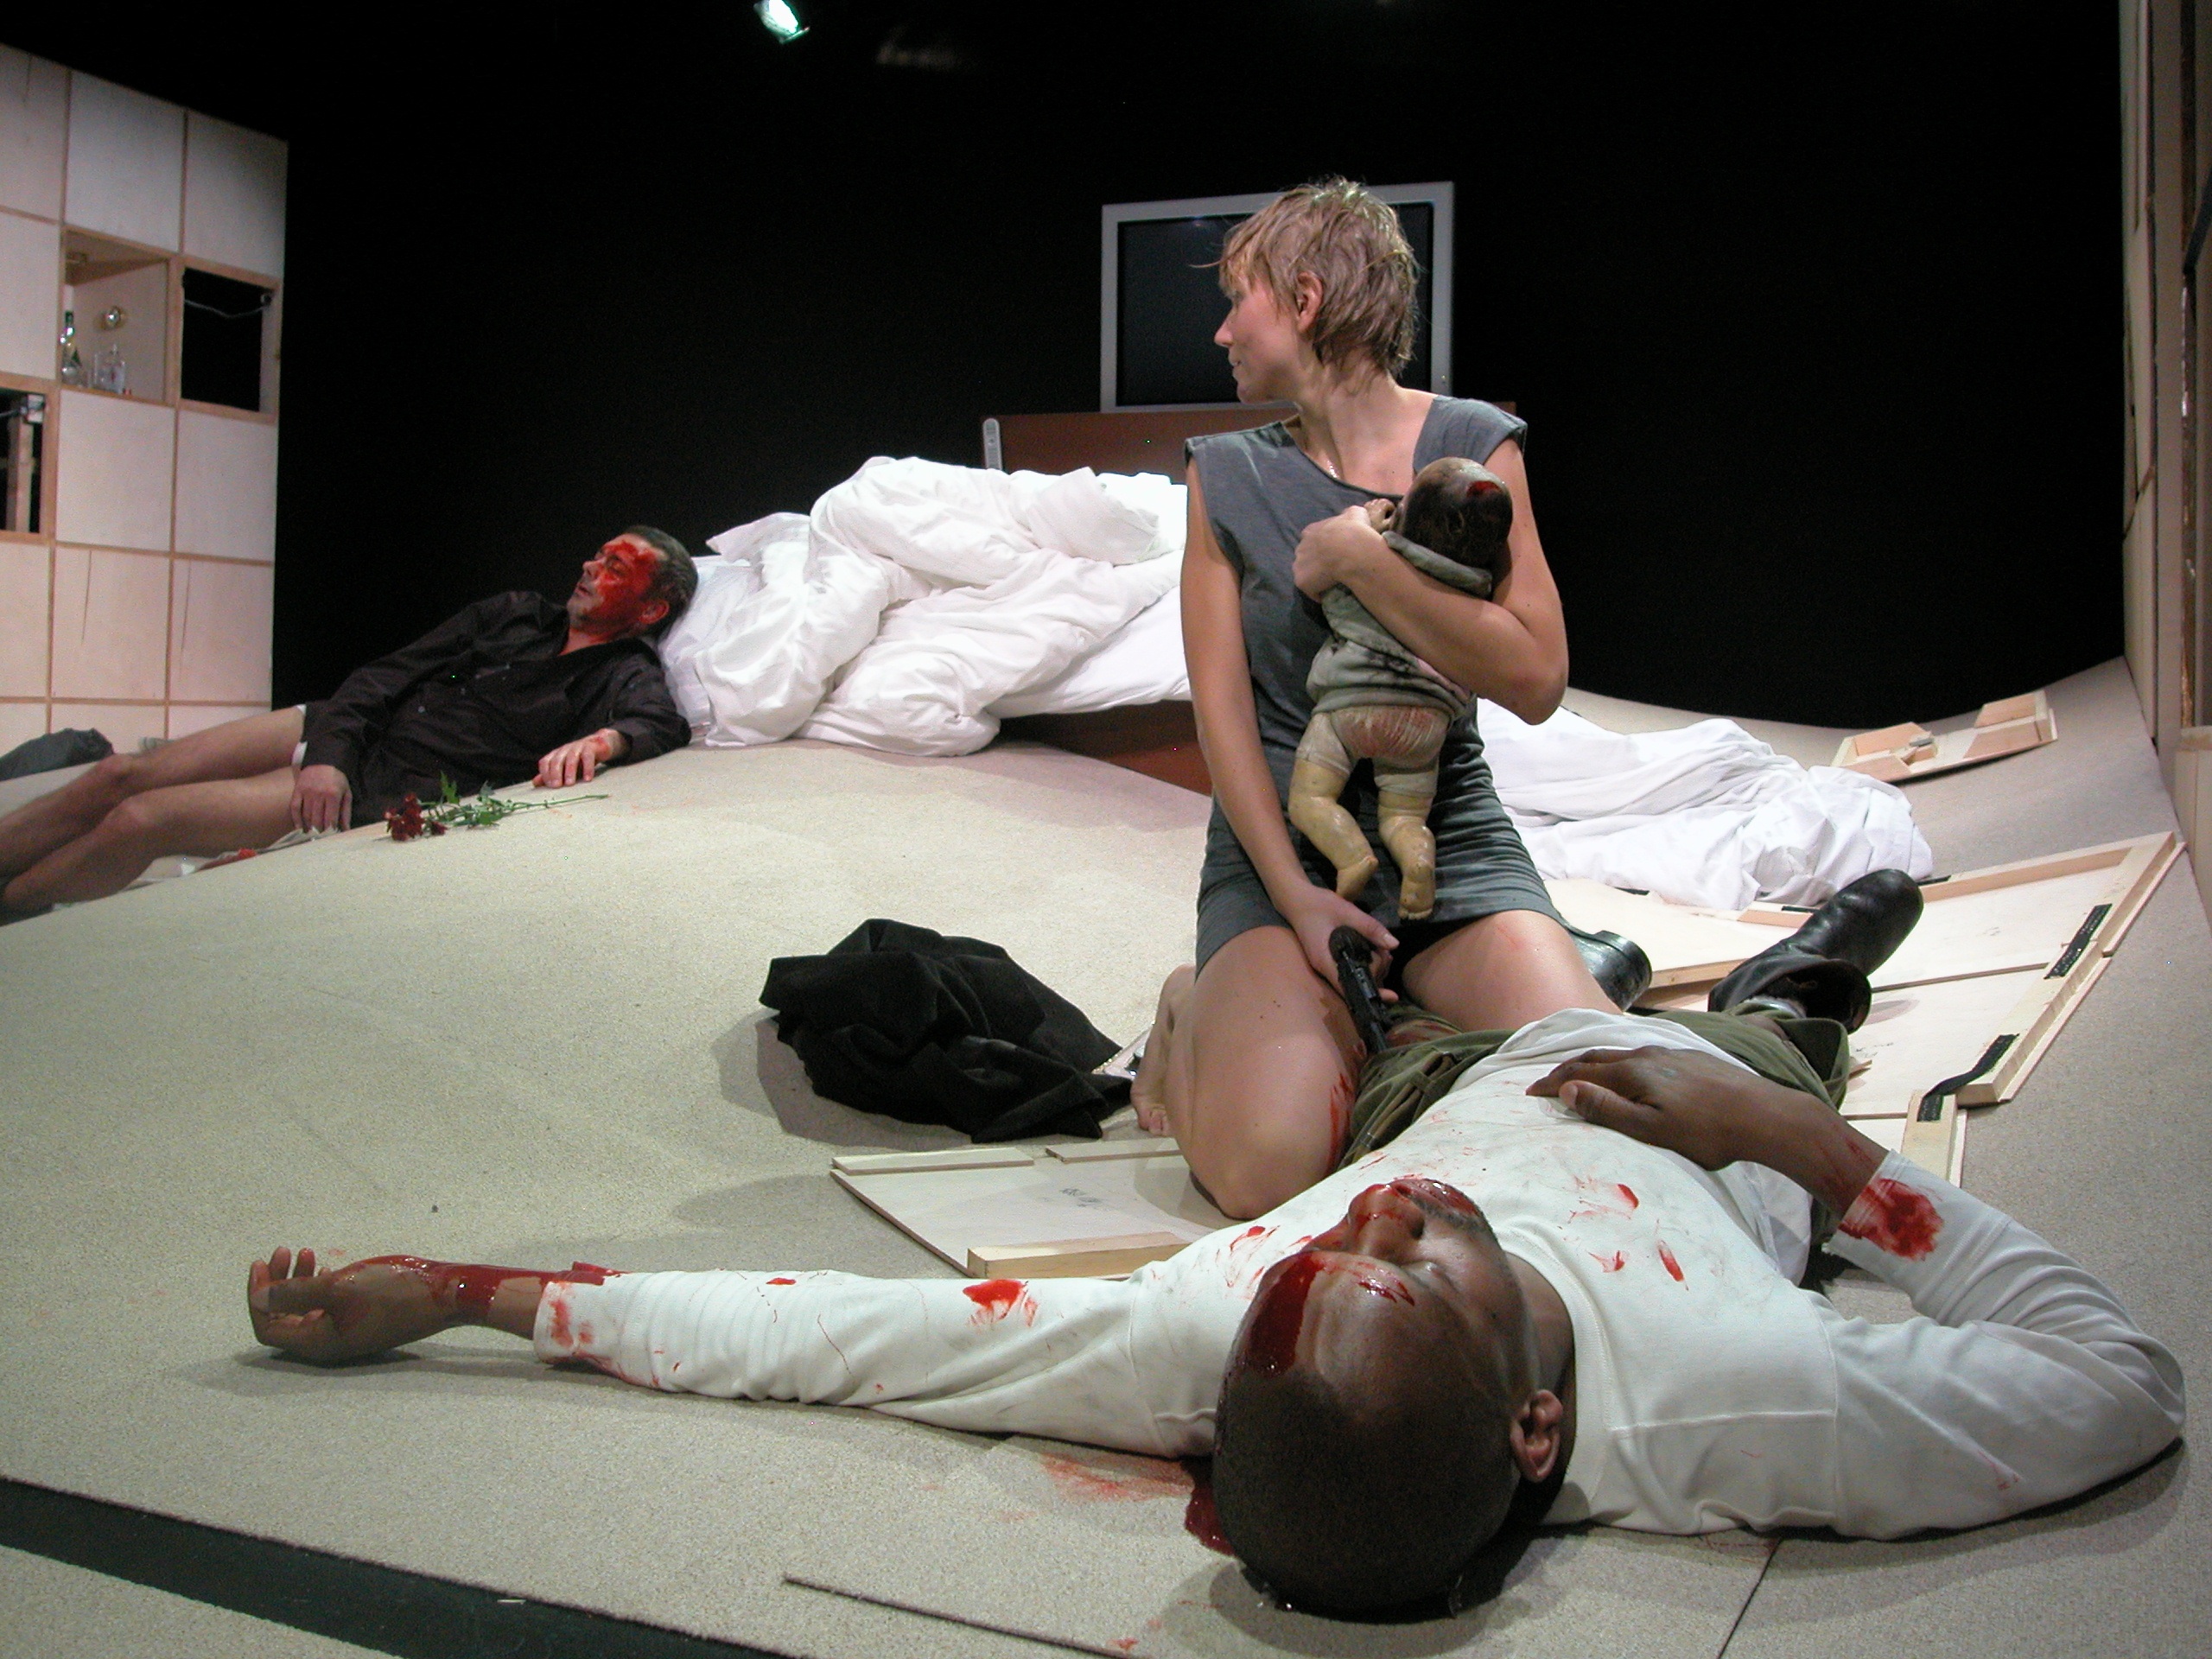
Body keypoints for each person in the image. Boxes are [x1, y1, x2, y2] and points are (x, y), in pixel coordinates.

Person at [245, 1006, 2183, 1616]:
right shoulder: (1744, 1395)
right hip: (1714, 1097)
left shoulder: (1212, 1330)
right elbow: (2119, 1380)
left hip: (1459, 1068)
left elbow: (828, 1335)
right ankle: (1805, 983)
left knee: (1375, 999)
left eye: (1332, 1253)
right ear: (1533, 1431)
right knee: (1793, 983)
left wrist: (472, 1294)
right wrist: (1803, 1145)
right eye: (1407, 1267)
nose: (1383, 1222)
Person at [1171, 178, 1611, 1217]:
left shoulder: (1475, 447)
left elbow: (1536, 679)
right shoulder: (1221, 474)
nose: (1222, 332)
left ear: (1306, 300)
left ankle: (1405, 1011)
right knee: (1267, 1169)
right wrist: (1294, 898)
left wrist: (1362, 561)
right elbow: (1223, 723)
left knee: (1606, 1108)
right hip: (1284, 855)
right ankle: (1187, 1008)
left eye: (1238, 302)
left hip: (1449, 839)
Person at [0, 529, 696, 915]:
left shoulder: (621, 674)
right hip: (346, 726)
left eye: (615, 567)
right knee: (121, 772)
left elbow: (661, 723)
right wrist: (328, 752)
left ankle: (12, 910)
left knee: (142, 819)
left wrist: (607, 740)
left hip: (380, 782)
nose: (589, 566)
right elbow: (385, 674)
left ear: (651, 609)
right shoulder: (513, 611)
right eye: (598, 554)